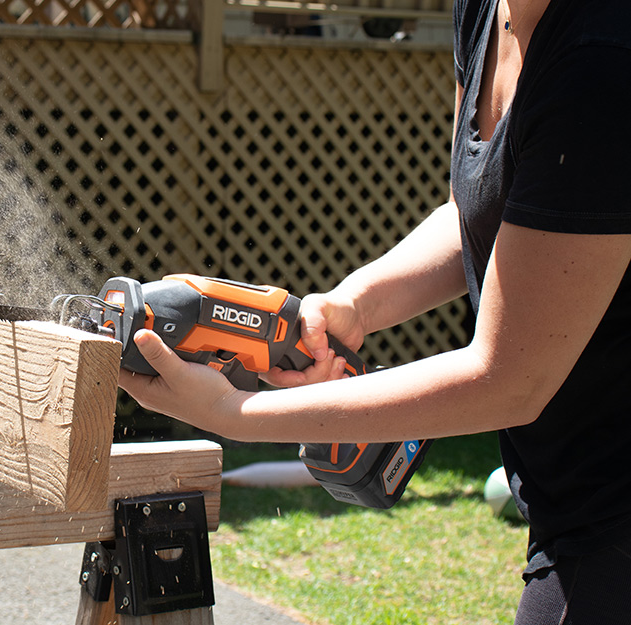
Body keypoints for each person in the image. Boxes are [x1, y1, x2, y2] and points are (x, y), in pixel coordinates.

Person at [118, 0, 631, 621]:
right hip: (568, 490)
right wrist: (356, 303)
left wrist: (239, 412)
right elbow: (484, 212)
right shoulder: (485, 12)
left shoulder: (600, 59)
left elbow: (509, 378)